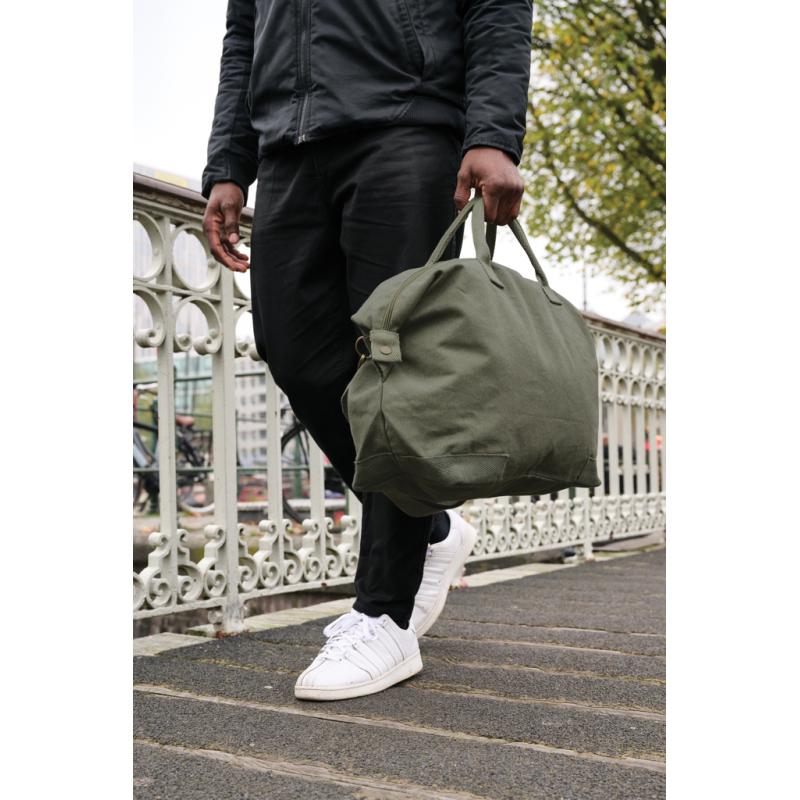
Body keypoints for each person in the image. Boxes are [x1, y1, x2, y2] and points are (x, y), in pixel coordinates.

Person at [202, 0, 533, 701]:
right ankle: (431, 526)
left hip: (405, 124)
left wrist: (493, 133)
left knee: (396, 368)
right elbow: (243, 35)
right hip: (286, 144)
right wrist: (228, 163)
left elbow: (496, 7)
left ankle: (385, 615)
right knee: (291, 348)